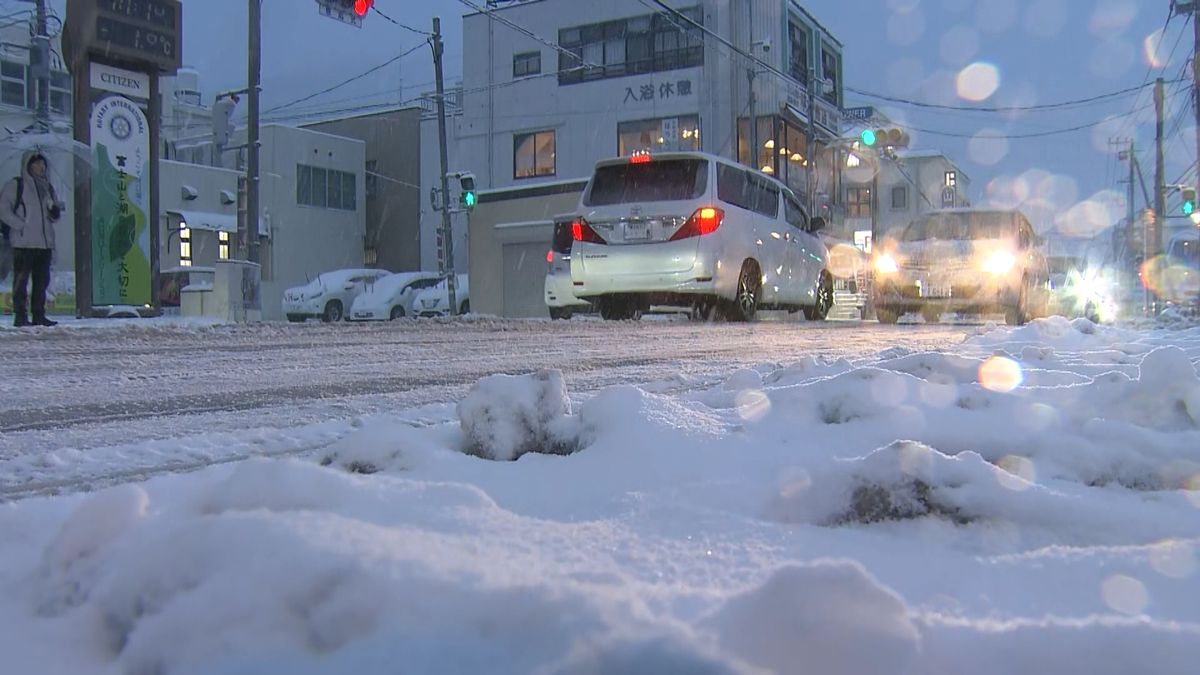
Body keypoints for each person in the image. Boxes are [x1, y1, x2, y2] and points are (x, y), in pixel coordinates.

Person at [0, 152, 61, 327]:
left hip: (44, 243)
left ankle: (39, 314)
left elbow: (54, 216)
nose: (41, 167)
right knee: (21, 281)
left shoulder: (47, 187)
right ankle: (20, 315)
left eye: (43, 164)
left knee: (41, 281)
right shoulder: (16, 185)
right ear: (28, 166)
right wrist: (20, 225)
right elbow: (4, 210)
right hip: (23, 242)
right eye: (37, 164)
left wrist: (53, 210)